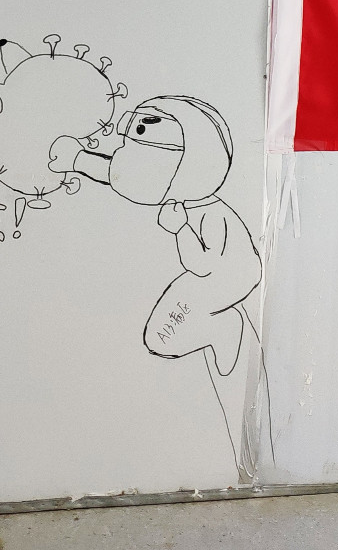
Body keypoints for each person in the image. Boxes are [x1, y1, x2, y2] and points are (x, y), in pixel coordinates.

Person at [49, 95, 263, 464]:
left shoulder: (206, 212)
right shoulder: (182, 197)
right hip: (213, 279)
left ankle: (223, 328)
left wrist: (180, 230)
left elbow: (202, 263)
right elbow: (120, 175)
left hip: (229, 279)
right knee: (159, 336)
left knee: (163, 335)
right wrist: (79, 161)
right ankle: (219, 328)